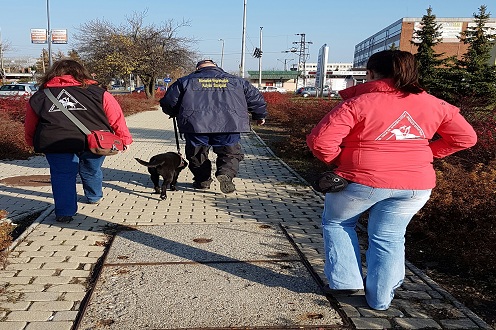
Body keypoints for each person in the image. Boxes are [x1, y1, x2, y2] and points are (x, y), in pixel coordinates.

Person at [306, 50, 477, 310]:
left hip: (360, 181)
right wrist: (426, 153)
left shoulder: (359, 103)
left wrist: (339, 162)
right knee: (389, 237)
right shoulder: (436, 104)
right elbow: (466, 138)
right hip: (416, 186)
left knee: (338, 223)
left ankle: (346, 282)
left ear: (371, 73)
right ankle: (380, 299)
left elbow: (320, 141)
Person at [24, 59, 133, 223]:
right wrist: (124, 139)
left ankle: (65, 212)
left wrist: (30, 140)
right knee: (91, 169)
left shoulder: (40, 96)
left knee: (62, 175)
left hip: (55, 142)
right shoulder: (99, 93)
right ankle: (94, 196)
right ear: (82, 73)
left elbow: (30, 123)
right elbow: (116, 117)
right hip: (94, 140)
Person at [160, 59, 267, 193]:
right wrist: (259, 115)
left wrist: (174, 112)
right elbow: (256, 98)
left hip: (195, 125)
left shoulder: (185, 81)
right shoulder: (237, 81)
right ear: (216, 67)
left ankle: (203, 181)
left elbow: (169, 101)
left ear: (198, 68)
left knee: (196, 154)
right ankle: (226, 174)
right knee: (230, 153)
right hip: (229, 124)